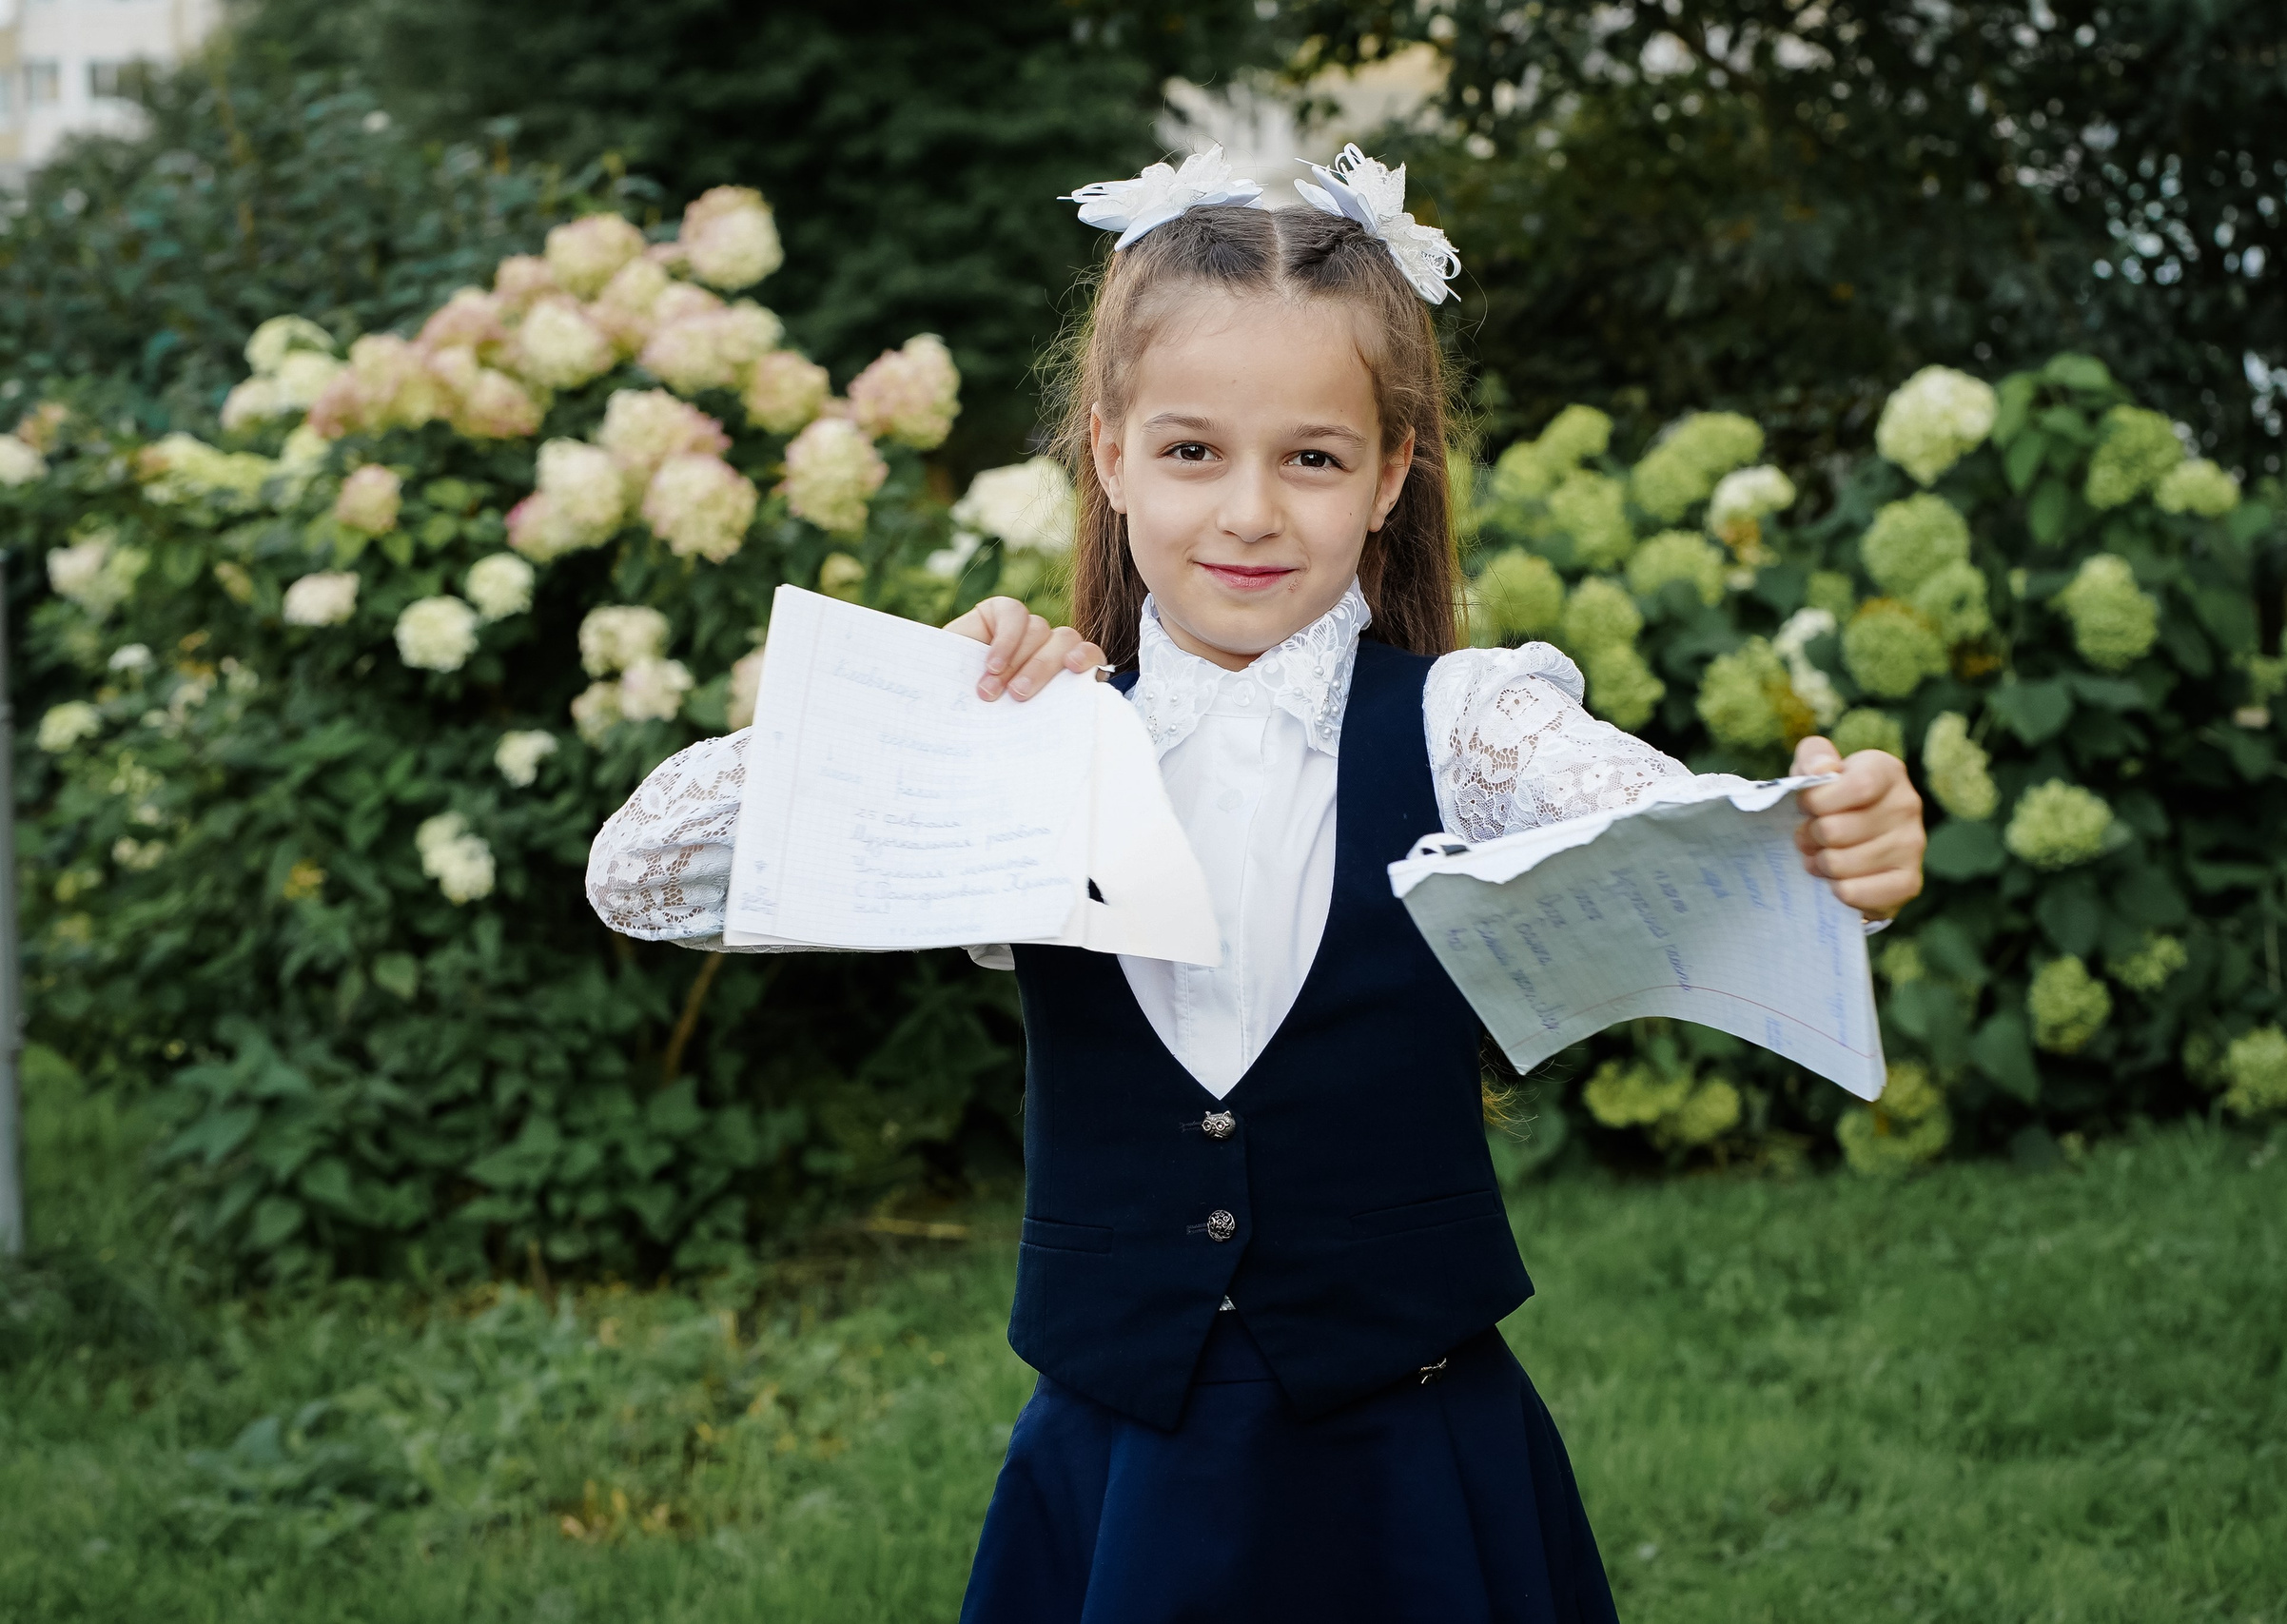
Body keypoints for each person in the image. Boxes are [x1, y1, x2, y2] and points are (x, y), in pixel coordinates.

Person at [588, 145, 1925, 1623]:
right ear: (1106, 455)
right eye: (1189, 452)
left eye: (1310, 457)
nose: (1247, 513)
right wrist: (929, 700)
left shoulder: (1472, 723)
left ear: (1389, 474)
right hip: (1125, 1466)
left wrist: (1836, 835)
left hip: (1411, 1460)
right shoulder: (1034, 753)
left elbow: (1691, 828)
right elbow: (639, 875)